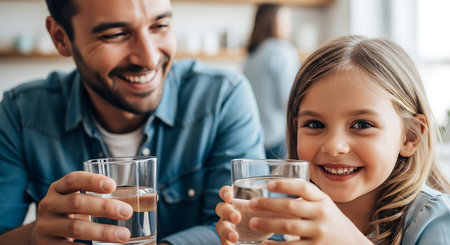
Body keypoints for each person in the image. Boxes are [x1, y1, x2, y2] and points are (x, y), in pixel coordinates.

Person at [0, 0, 265, 244]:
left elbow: (241, 230)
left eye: (160, 25)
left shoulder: (222, 97)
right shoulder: (21, 113)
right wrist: (34, 236)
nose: (149, 58)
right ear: (60, 37)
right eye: (115, 34)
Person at [215, 35, 450, 244]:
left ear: (410, 136)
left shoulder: (434, 220)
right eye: (315, 124)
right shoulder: (281, 215)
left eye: (362, 125)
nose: (334, 146)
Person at [243, 4, 300, 159]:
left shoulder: (251, 55)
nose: (290, 25)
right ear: (273, 21)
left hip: (254, 137)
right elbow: (290, 98)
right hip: (277, 137)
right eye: (286, 19)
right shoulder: (282, 51)